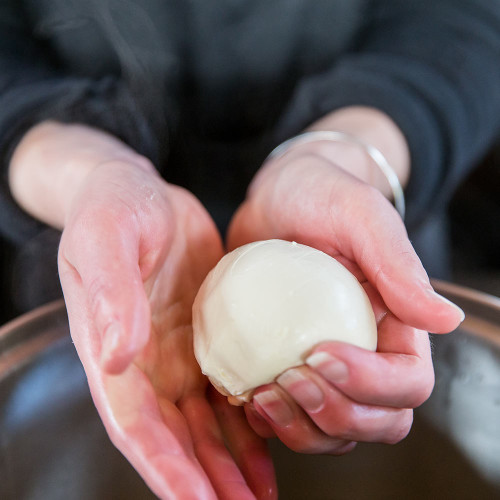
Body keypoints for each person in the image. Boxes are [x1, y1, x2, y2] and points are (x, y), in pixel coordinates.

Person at [1, 0, 499, 498]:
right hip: (109, 309)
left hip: (358, 253)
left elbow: (466, 19)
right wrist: (83, 172)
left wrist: (347, 153)